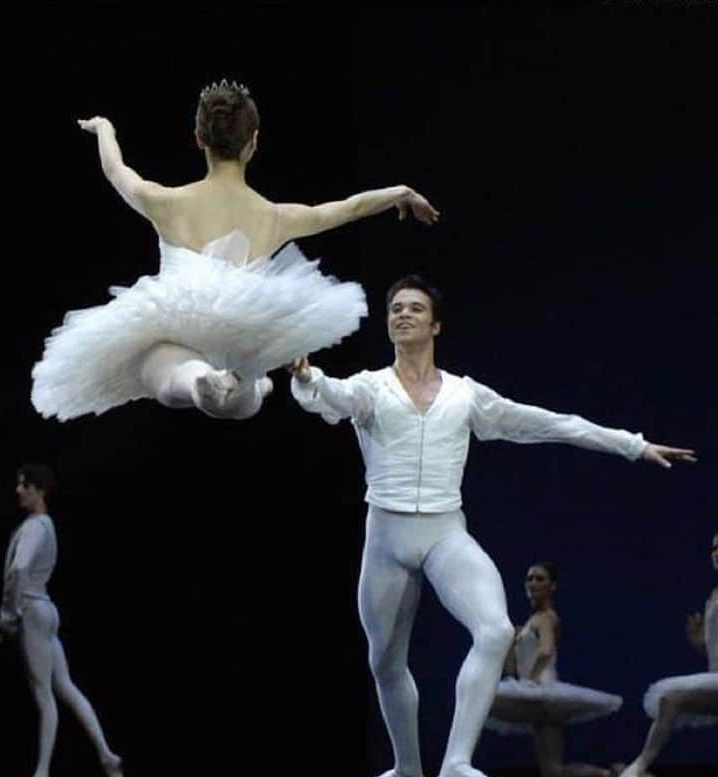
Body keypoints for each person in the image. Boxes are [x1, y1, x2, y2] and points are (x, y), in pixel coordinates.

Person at [288, 275, 695, 777]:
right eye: (396, 308)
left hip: (443, 534)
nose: (404, 314)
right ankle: (408, 768)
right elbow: (329, 395)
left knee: (497, 629)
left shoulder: (465, 396)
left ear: (435, 324)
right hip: (386, 539)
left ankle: (457, 761)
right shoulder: (371, 388)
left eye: (415, 308)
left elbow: (551, 423)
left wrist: (632, 444)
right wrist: (307, 379)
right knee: (385, 662)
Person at [31, 79, 439, 421]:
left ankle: (196, 381)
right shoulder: (274, 216)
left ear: (198, 139)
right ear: (253, 143)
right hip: (239, 330)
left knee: (158, 367)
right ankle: (238, 382)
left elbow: (116, 171)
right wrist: (399, 192)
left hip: (174, 317)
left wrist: (105, 129)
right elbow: (347, 208)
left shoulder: (165, 201)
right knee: (252, 393)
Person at [0, 465, 123, 777]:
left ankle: (42, 771)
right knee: (64, 686)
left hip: (32, 609)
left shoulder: (36, 527)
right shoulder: (46, 525)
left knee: (43, 694)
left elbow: (19, 570)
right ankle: (106, 755)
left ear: (39, 489)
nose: (19, 490)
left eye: (25, 485)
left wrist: (7, 619)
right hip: (46, 609)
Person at [486, 563, 622, 777]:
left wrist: (528, 681)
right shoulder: (530, 623)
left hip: (542, 694)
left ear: (553, 586)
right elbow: (511, 670)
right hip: (542, 697)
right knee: (553, 771)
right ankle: (613, 774)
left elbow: (546, 651)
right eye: (529, 578)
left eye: (540, 579)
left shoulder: (546, 617)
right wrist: (512, 645)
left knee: (481, 702)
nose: (533, 583)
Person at [620, 530, 718, 777]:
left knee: (671, 698)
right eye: (714, 548)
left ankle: (638, 767)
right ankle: (639, 768)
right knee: (670, 700)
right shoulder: (714, 596)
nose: (716, 554)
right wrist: (699, 642)